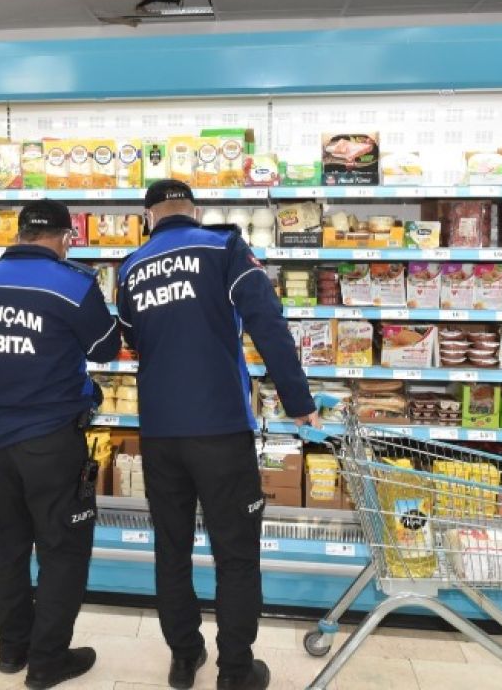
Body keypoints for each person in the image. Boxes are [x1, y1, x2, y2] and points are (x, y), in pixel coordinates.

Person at [116, 179, 320, 690]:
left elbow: (134, 338)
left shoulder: (131, 266)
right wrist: (298, 402)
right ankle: (235, 671)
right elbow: (267, 323)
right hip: (221, 429)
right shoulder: (224, 247)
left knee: (172, 550)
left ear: (148, 217)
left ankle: (184, 658)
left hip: (160, 432)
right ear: (196, 211)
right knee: (235, 555)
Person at [0, 199, 121, 689]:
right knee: (62, 548)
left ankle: (13, 650)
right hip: (49, 439)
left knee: (6, 547)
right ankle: (48, 661)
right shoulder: (73, 285)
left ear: (20, 233)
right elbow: (106, 348)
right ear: (66, 237)